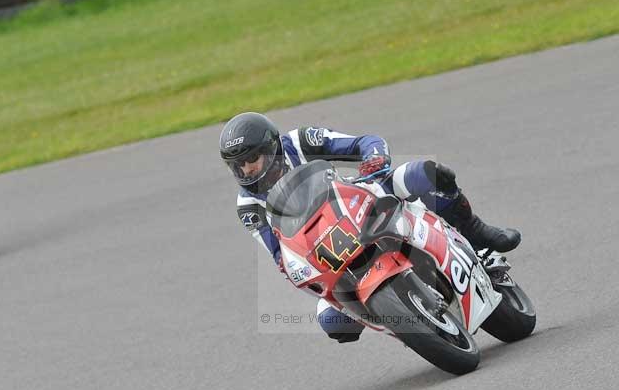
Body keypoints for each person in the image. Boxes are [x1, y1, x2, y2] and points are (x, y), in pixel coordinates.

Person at [221, 112, 520, 343]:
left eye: (251, 159)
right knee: (334, 324)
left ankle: (475, 233)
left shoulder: (299, 142)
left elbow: (362, 142)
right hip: (324, 249)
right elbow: (278, 254)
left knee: (425, 174)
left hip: (357, 201)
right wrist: (296, 269)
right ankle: (407, 321)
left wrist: (374, 159)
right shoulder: (247, 205)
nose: (247, 170)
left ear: (270, 147)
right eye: (238, 165)